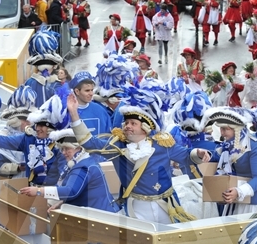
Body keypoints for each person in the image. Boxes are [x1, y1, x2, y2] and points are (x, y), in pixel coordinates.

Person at [68, 88, 210, 223]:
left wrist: (198, 153)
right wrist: (74, 114)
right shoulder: (117, 146)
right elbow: (88, 142)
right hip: (137, 208)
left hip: (166, 206)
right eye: (126, 123)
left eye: (133, 123)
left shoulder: (162, 144)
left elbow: (185, 156)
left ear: (145, 128)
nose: (127, 126)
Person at [17, 129, 119, 213]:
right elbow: (72, 190)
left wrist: (39, 191)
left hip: (102, 216)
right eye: (62, 149)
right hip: (95, 213)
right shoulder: (79, 163)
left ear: (79, 148)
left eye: (67, 149)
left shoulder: (83, 166)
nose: (64, 153)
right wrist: (61, 203)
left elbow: (71, 192)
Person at [201, 107, 257, 216]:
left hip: (255, 203)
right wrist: (202, 153)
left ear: (237, 129)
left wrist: (239, 191)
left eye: (225, 129)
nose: (222, 133)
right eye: (221, 129)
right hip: (235, 201)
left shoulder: (253, 145)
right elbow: (214, 156)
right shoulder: (226, 146)